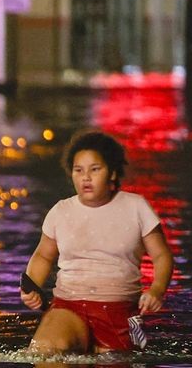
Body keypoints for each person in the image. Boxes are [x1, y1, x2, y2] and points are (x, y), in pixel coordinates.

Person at [20, 129, 172, 354]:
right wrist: (31, 287)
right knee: (44, 352)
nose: (85, 177)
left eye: (95, 170)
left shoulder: (136, 207)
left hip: (119, 312)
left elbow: (162, 256)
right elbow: (43, 255)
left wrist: (157, 290)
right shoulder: (61, 211)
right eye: (78, 170)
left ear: (111, 173)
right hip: (67, 306)